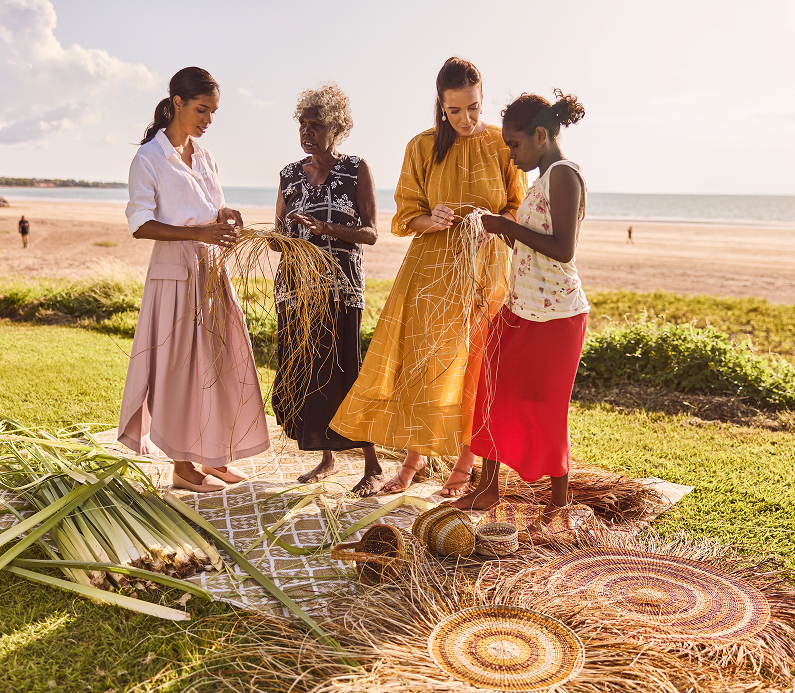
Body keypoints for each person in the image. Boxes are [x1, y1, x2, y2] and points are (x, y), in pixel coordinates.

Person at [330, 57, 526, 497]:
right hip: (432, 272)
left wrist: (489, 224)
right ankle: (412, 466)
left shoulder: (501, 145)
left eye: (473, 107)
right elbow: (405, 216)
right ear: (440, 105)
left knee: (477, 363)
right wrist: (431, 219)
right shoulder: (421, 146)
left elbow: (517, 207)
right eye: (454, 110)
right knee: (425, 367)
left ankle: (464, 466)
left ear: (482, 97)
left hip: (485, 267)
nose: (466, 119)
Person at [118, 66, 270, 493]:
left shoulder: (204, 157)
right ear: (177, 103)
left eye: (214, 112)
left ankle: (215, 455)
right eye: (203, 109)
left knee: (222, 362)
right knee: (181, 369)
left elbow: (211, 209)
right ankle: (183, 468)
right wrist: (198, 232)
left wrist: (224, 218)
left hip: (211, 270)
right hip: (173, 274)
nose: (208, 119)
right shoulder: (148, 158)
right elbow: (140, 224)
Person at [448, 89, 589, 522]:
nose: (511, 155)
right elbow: (535, 244)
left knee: (545, 405)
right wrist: (497, 230)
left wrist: (503, 224)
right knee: (491, 392)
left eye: (515, 144)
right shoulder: (541, 180)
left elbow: (562, 249)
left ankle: (559, 500)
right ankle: (487, 489)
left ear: (541, 134)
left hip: (557, 314)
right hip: (520, 306)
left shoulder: (563, 175)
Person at [272, 83, 382, 495]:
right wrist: (272, 239)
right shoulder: (288, 175)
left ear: (336, 129)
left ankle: (372, 464)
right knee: (309, 373)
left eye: (316, 126)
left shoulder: (355, 168)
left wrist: (327, 229)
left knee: (346, 369)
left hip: (340, 286)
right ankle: (326, 457)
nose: (307, 132)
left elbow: (370, 232)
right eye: (303, 124)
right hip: (297, 288)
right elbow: (279, 232)